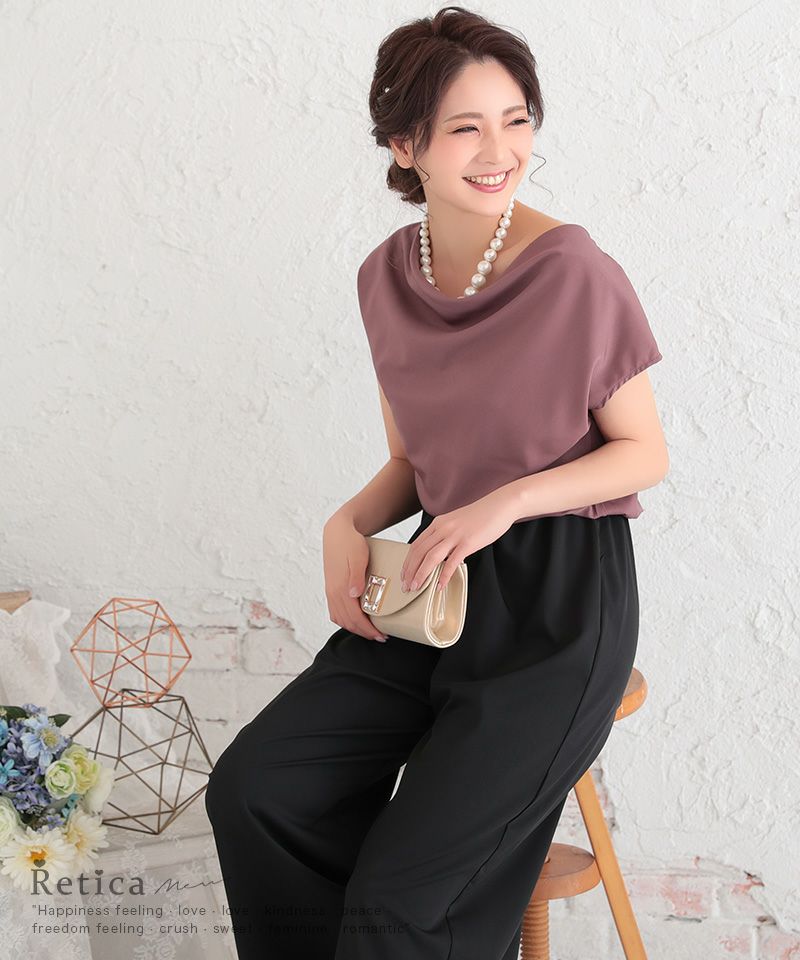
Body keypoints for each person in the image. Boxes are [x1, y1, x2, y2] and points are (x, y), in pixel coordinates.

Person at [205, 6, 669, 959]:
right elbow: (416, 463)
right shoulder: (385, 278)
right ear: (404, 144)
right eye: (466, 127)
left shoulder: (575, 272)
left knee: (402, 901)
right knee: (258, 790)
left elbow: (643, 453)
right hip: (433, 585)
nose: (500, 151)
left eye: (517, 120)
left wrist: (507, 501)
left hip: (558, 605)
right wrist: (345, 523)